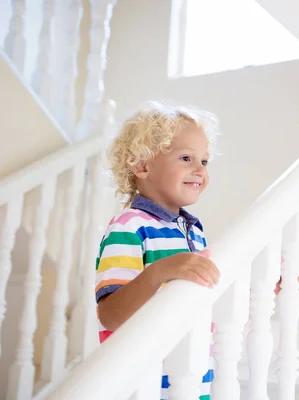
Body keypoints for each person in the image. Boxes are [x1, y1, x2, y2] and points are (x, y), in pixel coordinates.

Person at [94, 101, 220, 400]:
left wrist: (267, 287)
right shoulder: (129, 227)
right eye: (186, 158)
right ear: (142, 165)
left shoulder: (194, 232)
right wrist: (159, 271)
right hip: (148, 382)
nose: (199, 170)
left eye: (204, 161)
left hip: (194, 376)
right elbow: (110, 315)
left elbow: (208, 295)